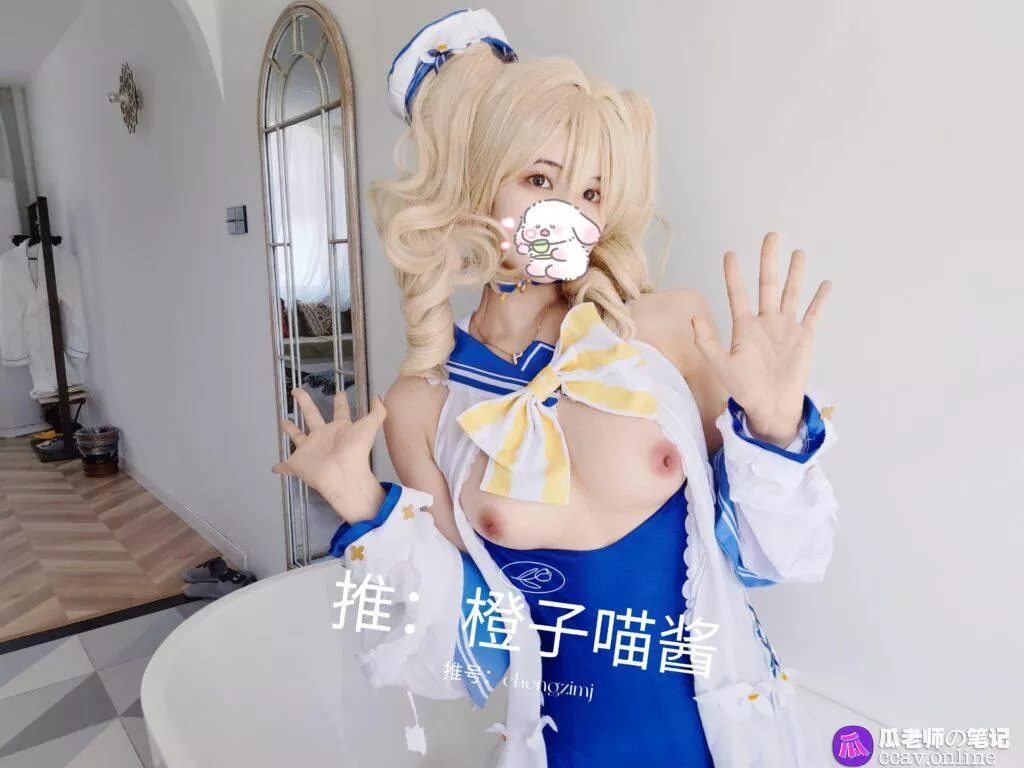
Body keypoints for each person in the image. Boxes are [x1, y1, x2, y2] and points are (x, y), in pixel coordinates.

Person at [273, 9, 840, 767]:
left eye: (592, 193)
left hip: (733, 741)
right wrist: (360, 505)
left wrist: (774, 430)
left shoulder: (667, 329)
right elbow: (468, 653)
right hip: (568, 749)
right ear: (476, 188)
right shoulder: (421, 406)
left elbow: (771, 561)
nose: (567, 214)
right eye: (540, 180)